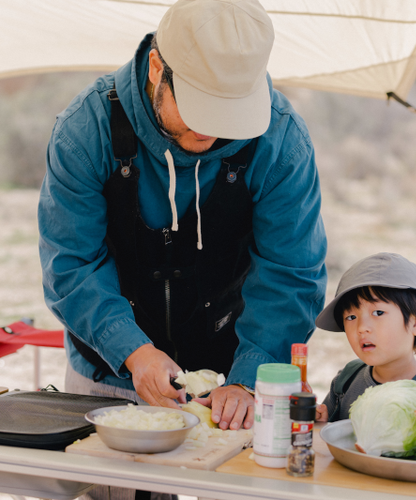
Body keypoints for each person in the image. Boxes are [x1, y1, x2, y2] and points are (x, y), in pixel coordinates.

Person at [38, 0, 327, 434]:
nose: (210, 128)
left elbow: (291, 273)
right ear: (157, 67)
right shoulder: (86, 130)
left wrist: (251, 379)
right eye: (198, 106)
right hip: (111, 368)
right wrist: (131, 349)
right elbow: (71, 263)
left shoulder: (282, 141)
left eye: (228, 110)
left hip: (238, 370)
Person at [315, 252, 416, 422]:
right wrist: (321, 423)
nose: (362, 328)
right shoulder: (346, 381)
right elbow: (331, 438)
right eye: (351, 317)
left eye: (378, 312)